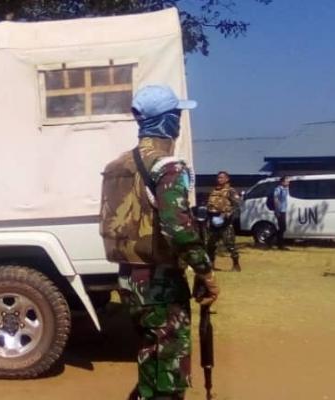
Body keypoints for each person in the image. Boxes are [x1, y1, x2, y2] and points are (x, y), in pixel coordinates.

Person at [99, 85, 220, 400]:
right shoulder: (167, 167)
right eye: (176, 115)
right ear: (167, 121)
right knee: (168, 373)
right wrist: (206, 273)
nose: (179, 121)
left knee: (150, 361)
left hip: (129, 279)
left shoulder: (116, 167)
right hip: (160, 282)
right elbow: (177, 228)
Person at [206, 171, 242, 271]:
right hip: (213, 221)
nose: (219, 179)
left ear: (227, 179)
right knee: (210, 245)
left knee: (230, 245)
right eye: (218, 178)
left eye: (222, 178)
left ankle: (236, 265)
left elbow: (237, 204)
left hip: (225, 222)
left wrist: (227, 214)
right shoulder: (214, 191)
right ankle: (211, 265)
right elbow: (210, 205)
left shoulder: (230, 191)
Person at [271, 176, 290, 250]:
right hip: (279, 210)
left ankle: (271, 239)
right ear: (282, 182)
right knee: (282, 228)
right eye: (287, 181)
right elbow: (276, 199)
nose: (288, 182)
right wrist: (277, 210)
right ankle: (280, 245)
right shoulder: (278, 189)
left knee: (282, 228)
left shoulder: (286, 189)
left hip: (283, 210)